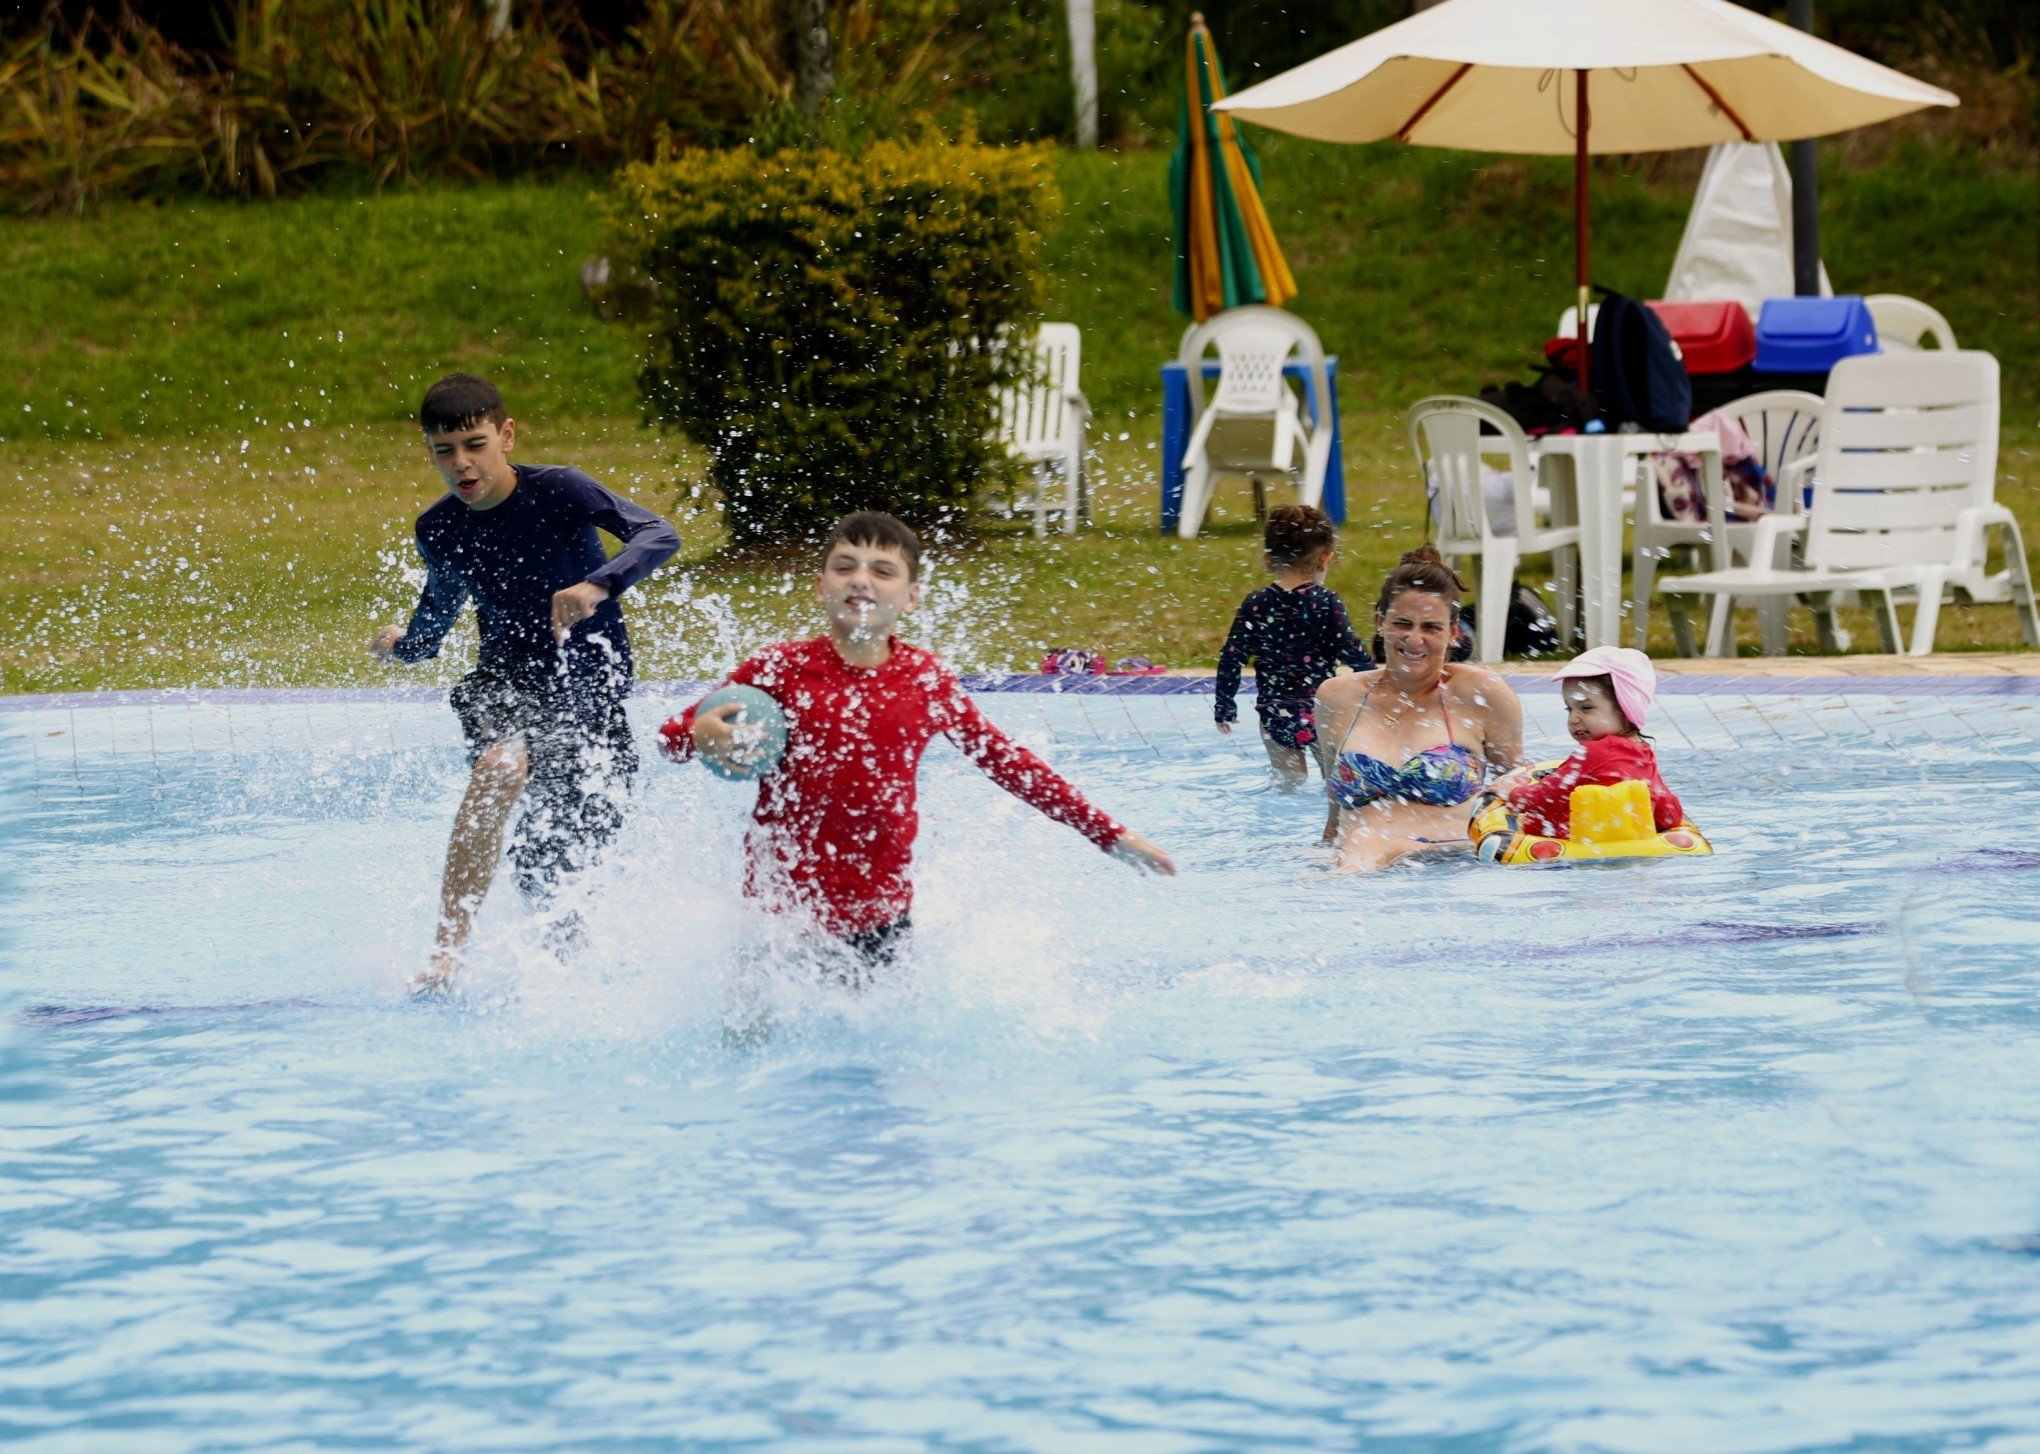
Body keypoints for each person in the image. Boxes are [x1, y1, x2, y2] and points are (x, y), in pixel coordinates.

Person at [659, 511, 1175, 976]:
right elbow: (672, 738)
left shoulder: (926, 681)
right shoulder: (778, 668)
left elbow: (1008, 763)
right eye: (845, 567)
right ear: (820, 587)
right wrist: (699, 733)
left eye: (883, 571)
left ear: (910, 597)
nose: (861, 579)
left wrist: (1108, 834)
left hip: (880, 913)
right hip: (778, 914)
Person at [370, 374, 681, 988]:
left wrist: (598, 585)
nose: (462, 464)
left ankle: (570, 973)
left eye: (475, 445)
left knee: (555, 890)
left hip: (589, 696)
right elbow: (435, 622)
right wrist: (403, 647)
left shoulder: (560, 490)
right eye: (444, 451)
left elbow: (658, 534)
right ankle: (445, 956)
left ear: (506, 436)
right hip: (504, 680)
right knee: (501, 766)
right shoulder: (438, 529)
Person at [1312, 546, 1527, 870]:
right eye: (1402, 623)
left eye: (1430, 627)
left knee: (1366, 847)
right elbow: (1334, 813)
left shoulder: (1480, 694)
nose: (1414, 639)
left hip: (1450, 867)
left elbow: (1519, 795)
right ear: (1380, 622)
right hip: (1356, 865)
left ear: (1453, 633)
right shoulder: (1337, 697)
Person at [1214, 505, 1373, 787]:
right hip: (1321, 711)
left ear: (1267, 559)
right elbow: (1352, 651)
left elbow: (1232, 657)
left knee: (1289, 784)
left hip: (1274, 713)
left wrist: (1225, 705)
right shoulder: (1326, 602)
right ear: (1324, 559)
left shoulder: (1256, 603)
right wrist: (1379, 689)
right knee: (1335, 784)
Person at [1490, 646, 1684, 838]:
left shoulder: (1594, 753)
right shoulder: (1642, 753)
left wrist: (1512, 793)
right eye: (1569, 709)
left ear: (1626, 708)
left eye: (1586, 707)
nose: (1574, 719)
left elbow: (1545, 797)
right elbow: (1669, 815)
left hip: (1568, 855)